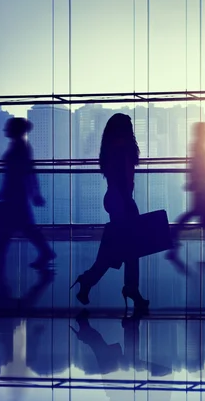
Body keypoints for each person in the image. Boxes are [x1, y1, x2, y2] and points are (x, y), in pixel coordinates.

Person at [70, 113, 149, 313]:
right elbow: (122, 179)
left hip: (119, 200)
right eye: (128, 126)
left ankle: (91, 281)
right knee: (126, 249)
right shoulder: (120, 149)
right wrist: (124, 204)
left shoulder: (114, 149)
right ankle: (128, 288)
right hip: (120, 200)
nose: (131, 130)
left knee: (124, 249)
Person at [0, 117, 55, 271]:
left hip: (16, 192)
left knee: (15, 228)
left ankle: (45, 252)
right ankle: (45, 252)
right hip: (16, 191)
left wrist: (35, 192)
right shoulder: (19, 145)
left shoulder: (21, 146)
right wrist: (34, 192)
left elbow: (29, 171)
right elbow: (29, 171)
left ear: (15, 129)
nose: (5, 129)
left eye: (8, 127)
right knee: (17, 228)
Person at [167, 122, 205, 260]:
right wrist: (199, 184)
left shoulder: (198, 146)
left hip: (202, 184)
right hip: (201, 185)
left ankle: (176, 235)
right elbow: (198, 166)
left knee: (201, 212)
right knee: (200, 212)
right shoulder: (199, 147)